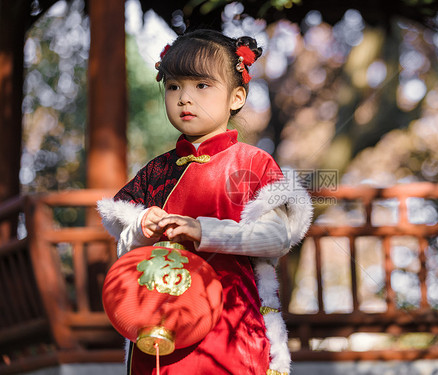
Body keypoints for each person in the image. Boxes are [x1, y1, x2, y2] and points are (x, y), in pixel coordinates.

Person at [97, 29, 313, 375]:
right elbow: (125, 249)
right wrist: (141, 227)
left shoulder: (253, 163)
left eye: (201, 86)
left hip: (231, 325)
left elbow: (276, 237)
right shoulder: (156, 170)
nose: (184, 98)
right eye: (173, 86)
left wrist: (203, 231)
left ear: (236, 97)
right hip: (159, 322)